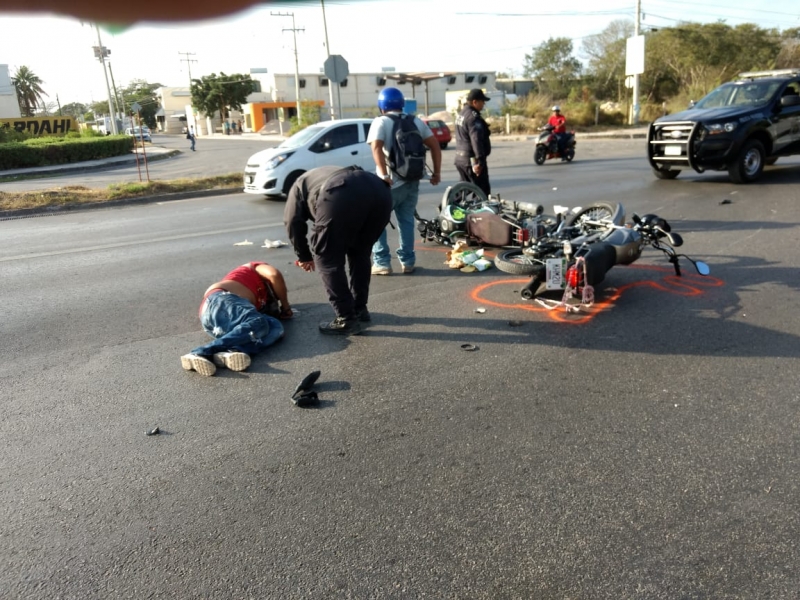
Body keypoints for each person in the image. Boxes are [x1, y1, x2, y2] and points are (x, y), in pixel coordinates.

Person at [284, 165, 392, 336]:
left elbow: (292, 222)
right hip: (380, 190)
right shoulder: (319, 175)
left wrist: (304, 256)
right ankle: (359, 309)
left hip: (341, 192)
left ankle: (346, 318)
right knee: (360, 252)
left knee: (327, 258)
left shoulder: (298, 186)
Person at [367, 87, 442, 276]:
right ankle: (408, 262)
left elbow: (376, 147)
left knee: (376, 222)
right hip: (413, 180)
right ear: (401, 104)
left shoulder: (380, 122)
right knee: (406, 221)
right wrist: (436, 173)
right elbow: (434, 145)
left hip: (389, 183)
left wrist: (383, 175)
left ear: (382, 105)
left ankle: (382, 262)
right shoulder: (415, 120)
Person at [181, 262, 293, 377]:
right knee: (259, 322)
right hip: (220, 299)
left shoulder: (258, 299)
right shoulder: (254, 268)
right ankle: (200, 352)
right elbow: (274, 275)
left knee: (275, 328)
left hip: (217, 321)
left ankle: (232, 351)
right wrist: (285, 306)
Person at [454, 88, 492, 196]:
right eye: (482, 101)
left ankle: (446, 207)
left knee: (464, 189)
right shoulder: (473, 117)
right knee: (482, 192)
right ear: (475, 102)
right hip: (471, 160)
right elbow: (476, 140)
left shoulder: (461, 114)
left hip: (460, 159)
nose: (484, 104)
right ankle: (480, 213)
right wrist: (479, 162)